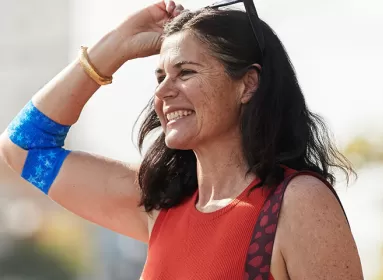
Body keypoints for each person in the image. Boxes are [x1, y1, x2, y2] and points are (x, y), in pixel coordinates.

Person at [0, 0, 363, 279]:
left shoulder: (297, 202)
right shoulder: (159, 204)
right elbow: (23, 147)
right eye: (160, 76)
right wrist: (116, 45)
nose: (163, 91)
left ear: (248, 84)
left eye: (185, 72)